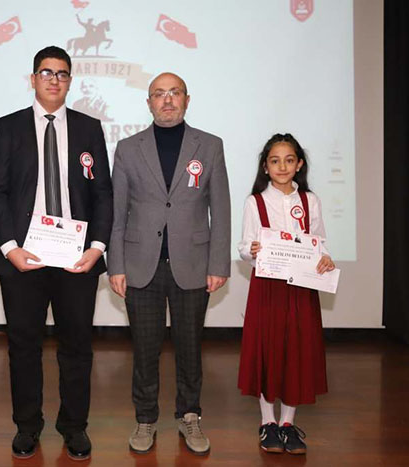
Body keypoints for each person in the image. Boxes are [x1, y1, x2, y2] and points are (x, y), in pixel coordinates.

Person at [0, 46, 112, 461]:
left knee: (77, 347)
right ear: (33, 79)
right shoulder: (9, 126)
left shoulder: (89, 128)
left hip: (77, 259)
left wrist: (97, 248)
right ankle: (27, 426)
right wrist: (10, 248)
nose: (54, 80)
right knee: (24, 347)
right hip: (24, 257)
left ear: (70, 81)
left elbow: (103, 193)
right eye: (46, 72)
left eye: (61, 73)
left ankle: (74, 427)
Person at [107, 72, 230, 455]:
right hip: (140, 265)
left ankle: (189, 415)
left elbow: (220, 209)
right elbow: (117, 213)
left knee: (189, 347)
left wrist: (219, 263)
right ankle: (145, 418)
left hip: (192, 264)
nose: (167, 100)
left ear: (186, 100)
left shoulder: (209, 145)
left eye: (174, 92)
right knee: (145, 350)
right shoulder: (128, 148)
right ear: (149, 103)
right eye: (159, 94)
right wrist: (116, 265)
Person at [237, 133, 335, 455]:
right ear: (265, 167)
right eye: (275, 161)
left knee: (297, 351)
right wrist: (251, 250)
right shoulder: (255, 202)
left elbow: (319, 242)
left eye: (289, 160)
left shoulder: (310, 201)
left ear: (299, 164)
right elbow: (244, 246)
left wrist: (325, 258)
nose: (282, 166)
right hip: (268, 287)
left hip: (301, 287)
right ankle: (268, 422)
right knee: (268, 349)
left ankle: (288, 424)